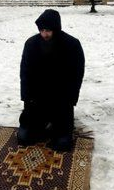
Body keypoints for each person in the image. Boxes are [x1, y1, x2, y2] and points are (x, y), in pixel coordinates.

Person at [18, 9, 85, 152]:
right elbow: (25, 73)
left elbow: (77, 74)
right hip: (38, 97)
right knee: (24, 138)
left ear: (56, 28)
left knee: (63, 144)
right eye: (42, 30)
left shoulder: (72, 44)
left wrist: (71, 99)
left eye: (48, 30)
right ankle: (41, 122)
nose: (45, 34)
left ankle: (59, 126)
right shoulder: (31, 44)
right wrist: (26, 98)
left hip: (60, 98)